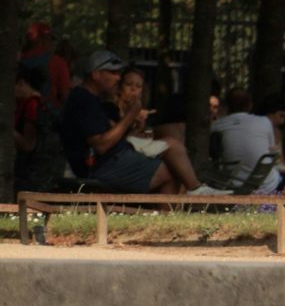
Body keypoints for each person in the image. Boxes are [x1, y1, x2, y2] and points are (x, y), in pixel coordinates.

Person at [58, 50, 179, 194]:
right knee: (170, 171)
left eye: (119, 73)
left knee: (173, 160)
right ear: (96, 74)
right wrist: (130, 115)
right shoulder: (83, 99)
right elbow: (101, 145)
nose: (118, 78)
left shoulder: (92, 100)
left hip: (111, 161)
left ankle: (187, 196)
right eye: (112, 73)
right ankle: (183, 202)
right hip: (100, 167)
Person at [115, 66, 205, 192]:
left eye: (138, 86)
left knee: (174, 160)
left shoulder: (139, 111)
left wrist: (140, 126)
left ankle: (179, 205)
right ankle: (195, 188)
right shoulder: (112, 109)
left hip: (139, 152)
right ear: (119, 87)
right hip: (119, 159)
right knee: (172, 145)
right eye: (128, 84)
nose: (133, 89)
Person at [209, 87, 285, 193]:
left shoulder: (217, 125)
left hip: (234, 183)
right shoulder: (265, 122)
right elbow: (273, 155)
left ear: (227, 106)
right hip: (267, 184)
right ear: (250, 105)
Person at [11, 63, 66, 197]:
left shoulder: (32, 106)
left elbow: (28, 145)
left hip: (33, 173)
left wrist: (7, 129)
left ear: (22, 83)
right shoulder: (44, 104)